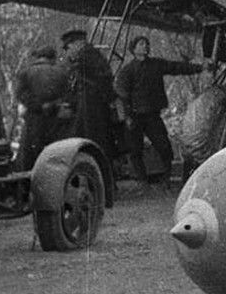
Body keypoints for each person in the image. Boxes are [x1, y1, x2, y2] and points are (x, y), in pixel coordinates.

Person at [115, 36, 212, 182]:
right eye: (141, 44)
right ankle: (142, 181)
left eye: (146, 44)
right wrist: (127, 116)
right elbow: (122, 94)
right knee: (135, 150)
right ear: (134, 49)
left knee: (164, 146)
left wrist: (199, 68)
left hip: (152, 115)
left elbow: (176, 67)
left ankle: (167, 177)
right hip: (134, 116)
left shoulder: (155, 65)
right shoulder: (128, 71)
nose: (145, 47)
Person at [59, 29, 118, 161]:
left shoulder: (86, 57)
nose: (67, 52)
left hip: (92, 107)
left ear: (76, 44)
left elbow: (103, 80)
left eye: (68, 48)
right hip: (89, 106)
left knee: (95, 140)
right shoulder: (89, 56)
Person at [13, 44, 70, 171]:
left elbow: (20, 95)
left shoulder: (26, 73)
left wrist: (39, 106)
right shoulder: (62, 73)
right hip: (56, 119)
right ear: (53, 58)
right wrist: (53, 104)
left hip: (34, 117)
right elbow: (67, 95)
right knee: (55, 152)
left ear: (38, 57)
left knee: (30, 154)